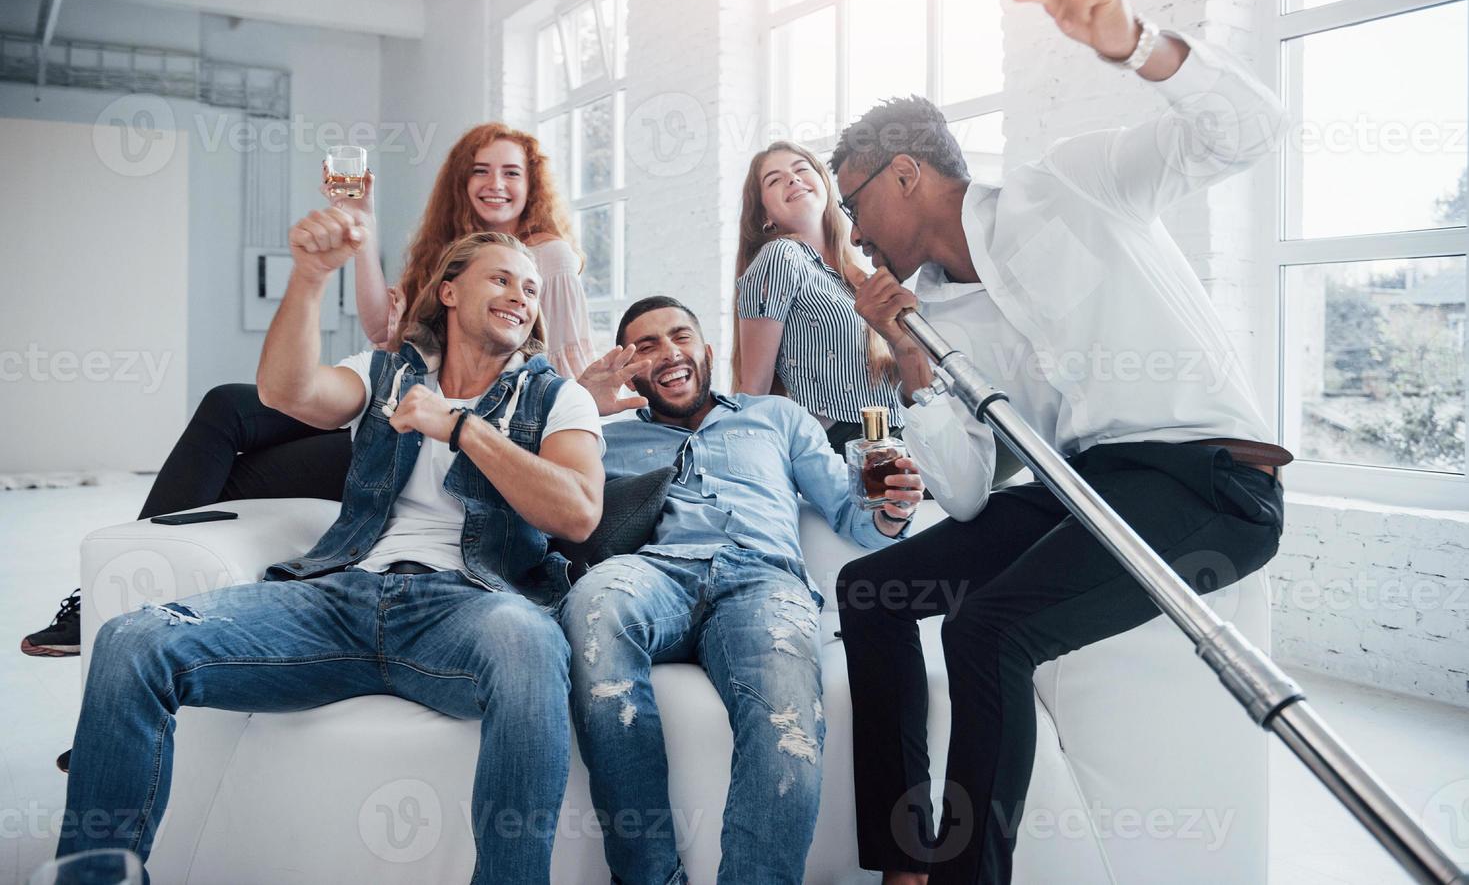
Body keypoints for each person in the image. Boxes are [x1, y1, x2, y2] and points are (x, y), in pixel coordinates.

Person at [832, 0, 1292, 884]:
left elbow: (1248, 130)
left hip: (1208, 479)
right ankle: (903, 860)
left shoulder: (1065, 184)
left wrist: (1130, 44)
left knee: (988, 631)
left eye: (853, 200)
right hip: (1082, 487)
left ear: (907, 174)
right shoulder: (935, 312)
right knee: (867, 592)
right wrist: (911, 352)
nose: (850, 230)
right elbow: (961, 496)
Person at [57, 216, 604, 883]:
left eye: (530, 287)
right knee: (131, 641)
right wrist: (311, 278)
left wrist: (458, 428)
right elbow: (286, 393)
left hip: (468, 611)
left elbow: (576, 512)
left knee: (530, 643)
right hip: (339, 598)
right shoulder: (383, 373)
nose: (521, 294)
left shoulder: (556, 397)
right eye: (500, 278)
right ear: (450, 291)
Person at [22, 124, 595, 666]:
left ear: (533, 183)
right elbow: (381, 337)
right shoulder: (446, 254)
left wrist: (559, 407)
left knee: (236, 465)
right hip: (402, 403)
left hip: (465, 430)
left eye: (511, 173)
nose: (496, 183)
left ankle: (122, 594)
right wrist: (345, 241)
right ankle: (122, 595)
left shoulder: (546, 258)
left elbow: (563, 359)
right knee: (228, 421)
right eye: (481, 170)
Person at [564, 296, 925, 884]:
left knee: (786, 717)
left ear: (707, 353)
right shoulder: (603, 437)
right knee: (593, 601)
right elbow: (532, 505)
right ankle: (648, 877)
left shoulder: (777, 418)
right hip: (657, 575)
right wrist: (577, 408)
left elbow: (856, 517)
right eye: (647, 346)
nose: (668, 353)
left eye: (680, 337)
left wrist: (891, 510)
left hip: (763, 581)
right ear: (628, 367)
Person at [732, 141, 905, 455]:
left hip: (896, 434)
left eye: (800, 170)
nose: (793, 179)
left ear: (824, 183)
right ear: (764, 214)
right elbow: (754, 393)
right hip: (845, 442)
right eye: (774, 179)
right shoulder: (780, 256)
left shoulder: (852, 276)